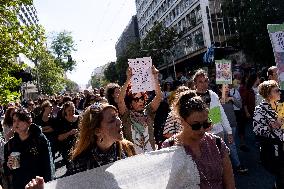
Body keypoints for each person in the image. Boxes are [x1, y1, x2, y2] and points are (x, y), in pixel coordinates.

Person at [162, 90, 235, 189]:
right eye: (196, 125)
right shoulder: (169, 147)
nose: (201, 130)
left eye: (206, 124)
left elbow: (230, 185)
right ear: (182, 121)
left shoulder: (217, 143)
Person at [68, 102, 136, 175]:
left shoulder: (128, 148)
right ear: (97, 131)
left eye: (117, 116)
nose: (119, 122)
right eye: (111, 120)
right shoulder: (80, 163)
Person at [3, 108, 54, 189]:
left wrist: (48, 184)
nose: (16, 123)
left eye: (20, 120)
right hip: (18, 185)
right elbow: (6, 170)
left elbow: (48, 166)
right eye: (14, 121)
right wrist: (8, 166)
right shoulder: (10, 144)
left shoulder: (39, 139)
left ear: (29, 121)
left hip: (36, 184)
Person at [118, 66, 162, 154]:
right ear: (130, 103)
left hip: (151, 156)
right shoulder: (126, 115)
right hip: (134, 160)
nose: (140, 101)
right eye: (136, 99)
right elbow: (120, 100)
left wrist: (155, 77)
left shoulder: (148, 112)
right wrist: (128, 79)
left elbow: (159, 97)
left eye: (142, 98)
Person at [253, 80, 284, 188]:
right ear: (268, 94)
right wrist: (272, 126)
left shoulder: (281, 106)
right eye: (276, 91)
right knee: (281, 173)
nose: (280, 92)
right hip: (273, 145)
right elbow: (257, 129)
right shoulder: (260, 109)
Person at [193, 69, 233, 142]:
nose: (203, 84)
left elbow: (221, 113)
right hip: (203, 135)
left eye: (205, 81)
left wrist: (229, 131)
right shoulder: (193, 98)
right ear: (195, 83)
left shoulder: (213, 95)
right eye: (200, 81)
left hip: (218, 132)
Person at [54, 101, 79, 170]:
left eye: (73, 110)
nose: (71, 112)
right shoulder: (61, 121)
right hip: (66, 148)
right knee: (70, 167)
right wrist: (69, 133)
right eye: (69, 110)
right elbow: (59, 138)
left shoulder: (80, 118)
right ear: (65, 110)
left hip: (79, 146)